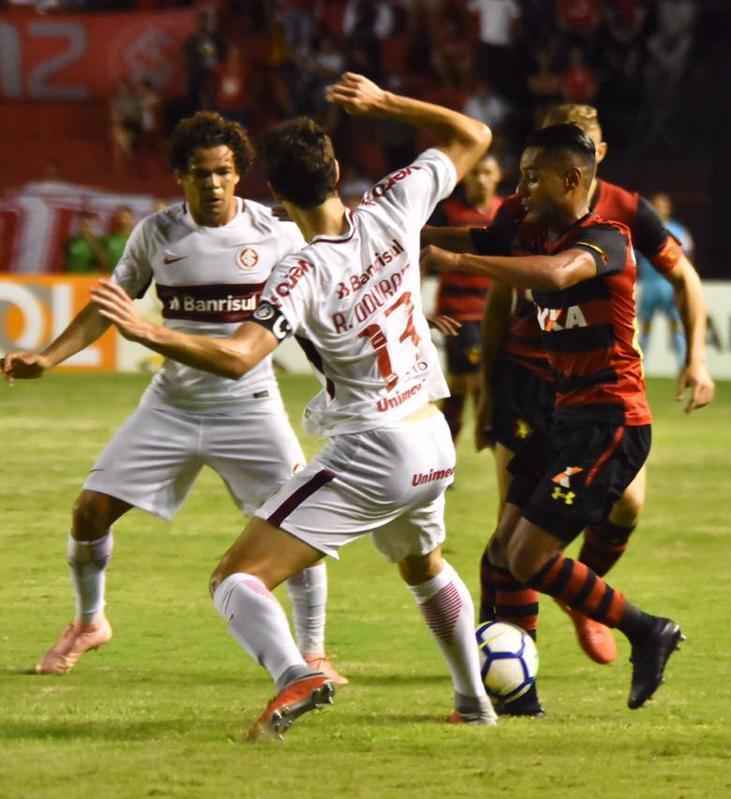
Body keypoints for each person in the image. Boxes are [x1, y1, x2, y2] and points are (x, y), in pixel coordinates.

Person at [86, 73, 497, 739]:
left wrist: (148, 331)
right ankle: (475, 701)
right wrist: (387, 103)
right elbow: (473, 134)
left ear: (273, 194)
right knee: (424, 567)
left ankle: (295, 673)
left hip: (374, 447)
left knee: (235, 578)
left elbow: (242, 355)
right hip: (433, 439)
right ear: (337, 170)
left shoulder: (299, 272)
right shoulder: (393, 204)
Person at [4, 111, 347, 686]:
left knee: (299, 529)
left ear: (240, 175)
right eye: (199, 174)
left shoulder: (278, 233)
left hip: (250, 405)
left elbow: (338, 283)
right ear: (179, 177)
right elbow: (107, 306)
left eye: (223, 172)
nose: (212, 184)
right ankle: (90, 622)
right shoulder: (156, 233)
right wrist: (49, 356)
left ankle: (313, 653)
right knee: (90, 510)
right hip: (172, 405)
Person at [424, 102, 714, 666]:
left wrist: (695, 358)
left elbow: (556, 273)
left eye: (533, 175)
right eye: (522, 173)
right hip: (541, 394)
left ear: (581, 165)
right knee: (506, 545)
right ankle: (514, 675)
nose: (521, 185)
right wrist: (392, 229)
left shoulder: (614, 226)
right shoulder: (527, 218)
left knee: (582, 525)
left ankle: (604, 605)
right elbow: (477, 241)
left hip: (605, 411)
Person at [430, 152, 504, 446]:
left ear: (498, 177)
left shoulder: (504, 212)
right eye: (476, 173)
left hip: (495, 312)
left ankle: (449, 452)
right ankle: (481, 439)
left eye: (488, 172)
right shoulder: (447, 214)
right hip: (459, 314)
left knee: (467, 385)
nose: (482, 179)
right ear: (465, 178)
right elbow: (422, 255)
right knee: (469, 382)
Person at [637, 191, 691, 369]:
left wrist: (684, 283)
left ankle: (683, 366)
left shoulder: (679, 231)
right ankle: (638, 366)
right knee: (643, 329)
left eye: (664, 205)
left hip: (670, 286)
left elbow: (688, 257)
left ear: (669, 209)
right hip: (650, 285)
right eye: (657, 205)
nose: (661, 208)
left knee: (677, 327)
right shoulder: (643, 229)